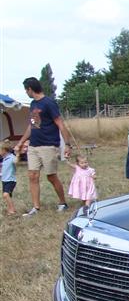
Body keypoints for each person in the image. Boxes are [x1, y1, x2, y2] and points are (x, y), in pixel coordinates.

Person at [15, 76, 77, 216]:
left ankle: (63, 203)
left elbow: (60, 123)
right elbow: (32, 125)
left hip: (48, 145)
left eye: (26, 90)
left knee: (51, 176)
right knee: (32, 175)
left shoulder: (49, 103)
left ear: (30, 89)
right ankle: (36, 208)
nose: (26, 92)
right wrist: (21, 142)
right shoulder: (33, 104)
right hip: (34, 146)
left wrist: (67, 145)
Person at [1, 141, 17, 216]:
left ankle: (12, 210)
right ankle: (9, 209)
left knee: (6, 194)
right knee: (8, 196)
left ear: (4, 150)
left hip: (10, 180)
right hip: (4, 180)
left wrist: (18, 154)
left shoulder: (11, 157)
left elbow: (16, 161)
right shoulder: (4, 158)